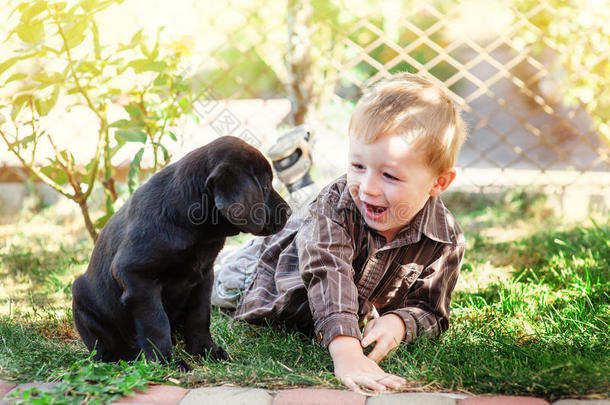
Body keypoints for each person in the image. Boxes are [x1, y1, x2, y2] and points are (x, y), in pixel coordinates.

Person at [212, 72, 467, 393]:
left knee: (311, 210)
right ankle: (298, 191)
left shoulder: (445, 238)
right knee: (224, 281)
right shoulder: (340, 204)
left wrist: (398, 323)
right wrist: (346, 351)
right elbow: (327, 273)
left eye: (389, 175)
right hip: (271, 270)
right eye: (358, 166)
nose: (368, 187)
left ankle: (299, 184)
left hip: (320, 239)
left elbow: (431, 309)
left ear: (439, 183)